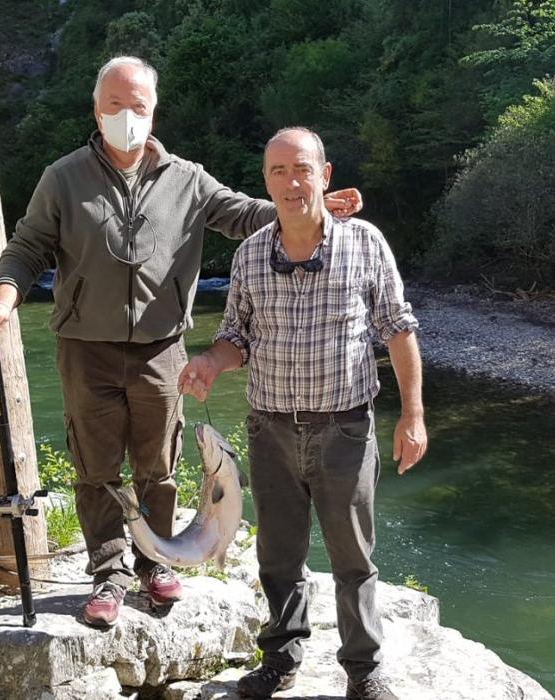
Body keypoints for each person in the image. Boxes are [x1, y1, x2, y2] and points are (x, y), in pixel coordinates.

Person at [0, 57, 363, 628]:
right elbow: (27, 247)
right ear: (96, 109)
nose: (125, 116)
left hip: (162, 348)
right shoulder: (63, 177)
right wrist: (5, 297)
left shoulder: (188, 178)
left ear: (153, 111)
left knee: (159, 465)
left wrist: (310, 207)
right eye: (114, 105)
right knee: (95, 467)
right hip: (85, 347)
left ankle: (155, 562)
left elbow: (247, 215)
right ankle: (108, 573)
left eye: (138, 106)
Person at [178, 127, 427, 700]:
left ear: (325, 175)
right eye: (277, 172)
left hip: (345, 429)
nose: (291, 183)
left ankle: (363, 671)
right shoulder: (248, 254)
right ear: (266, 181)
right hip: (269, 431)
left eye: (301, 170)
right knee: (278, 555)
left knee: (352, 558)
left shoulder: (365, 242)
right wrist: (211, 363)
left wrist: (413, 416)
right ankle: (281, 657)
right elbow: (236, 336)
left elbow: (399, 328)